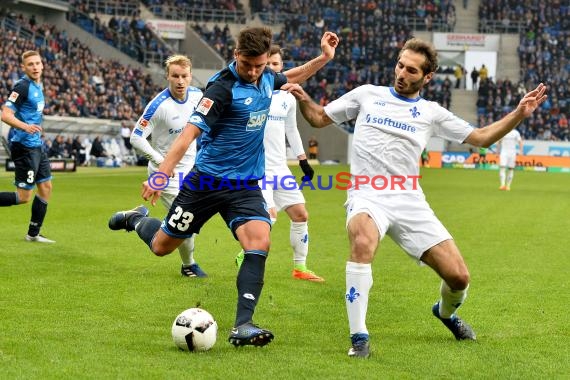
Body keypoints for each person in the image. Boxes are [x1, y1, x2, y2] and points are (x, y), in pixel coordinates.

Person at [284, 37, 547, 358]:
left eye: (411, 70)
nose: (402, 73)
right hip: (367, 193)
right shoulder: (367, 94)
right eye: (400, 65)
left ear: (427, 77)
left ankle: (446, 313)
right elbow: (319, 118)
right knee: (362, 242)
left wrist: (519, 113)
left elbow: (480, 138)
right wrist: (301, 96)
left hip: (409, 200)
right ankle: (359, 339)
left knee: (459, 277)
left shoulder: (431, 113)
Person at [108, 27, 339, 347]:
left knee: (259, 243)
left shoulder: (265, 78)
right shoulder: (220, 89)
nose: (255, 72)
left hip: (245, 185)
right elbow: (187, 135)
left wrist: (324, 58)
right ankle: (135, 219)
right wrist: (162, 174)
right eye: (249, 65)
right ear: (236, 56)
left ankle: (243, 324)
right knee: (162, 246)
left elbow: (291, 75)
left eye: (261, 66)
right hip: (205, 182)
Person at [235, 45, 324, 282]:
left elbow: (291, 130)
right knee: (269, 217)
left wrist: (303, 160)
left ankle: (300, 268)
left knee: (301, 214)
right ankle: (245, 254)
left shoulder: (288, 96)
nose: (271, 68)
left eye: (276, 64)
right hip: (257, 168)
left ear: (282, 67)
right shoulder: (252, 92)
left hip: (280, 167)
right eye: (268, 64)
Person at [130, 54, 207, 278]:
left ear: (191, 76)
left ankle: (136, 219)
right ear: (167, 77)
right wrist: (162, 162)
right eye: (175, 76)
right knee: (185, 221)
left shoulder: (198, 96)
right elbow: (136, 137)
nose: (180, 81)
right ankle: (188, 266)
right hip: (166, 174)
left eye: (184, 76)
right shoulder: (159, 105)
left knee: (187, 219)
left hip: (192, 171)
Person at [0, 50, 55, 243]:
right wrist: (26, 127)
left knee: (46, 187)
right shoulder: (22, 86)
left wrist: (36, 129)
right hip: (24, 147)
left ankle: (33, 234)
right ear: (24, 67)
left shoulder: (38, 86)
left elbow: (32, 113)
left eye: (37, 63)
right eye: (30, 64)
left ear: (42, 65)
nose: (35, 67)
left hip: (37, 145)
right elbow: (5, 114)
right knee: (24, 196)